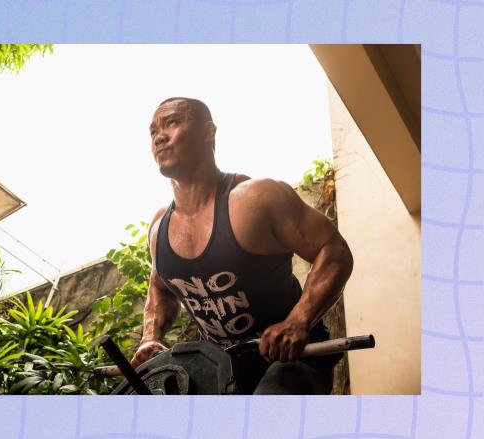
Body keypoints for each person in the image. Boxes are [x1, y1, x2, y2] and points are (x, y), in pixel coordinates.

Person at [130, 97, 353, 394]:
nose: (159, 136)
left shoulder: (256, 198)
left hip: (293, 358)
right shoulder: (160, 228)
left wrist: (297, 321)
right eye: (153, 130)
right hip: (221, 367)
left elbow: (334, 251)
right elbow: (160, 287)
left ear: (208, 131)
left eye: (171, 123)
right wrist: (150, 337)